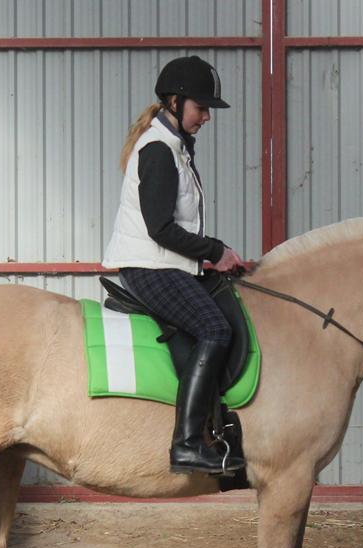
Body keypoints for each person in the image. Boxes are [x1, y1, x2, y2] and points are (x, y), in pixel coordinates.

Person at [103, 55, 247, 475]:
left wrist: (219, 258)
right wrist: (215, 251)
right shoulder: (159, 150)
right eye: (201, 108)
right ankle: (186, 444)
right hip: (149, 266)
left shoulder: (175, 148)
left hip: (169, 264)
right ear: (174, 101)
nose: (206, 117)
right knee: (215, 329)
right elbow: (161, 228)